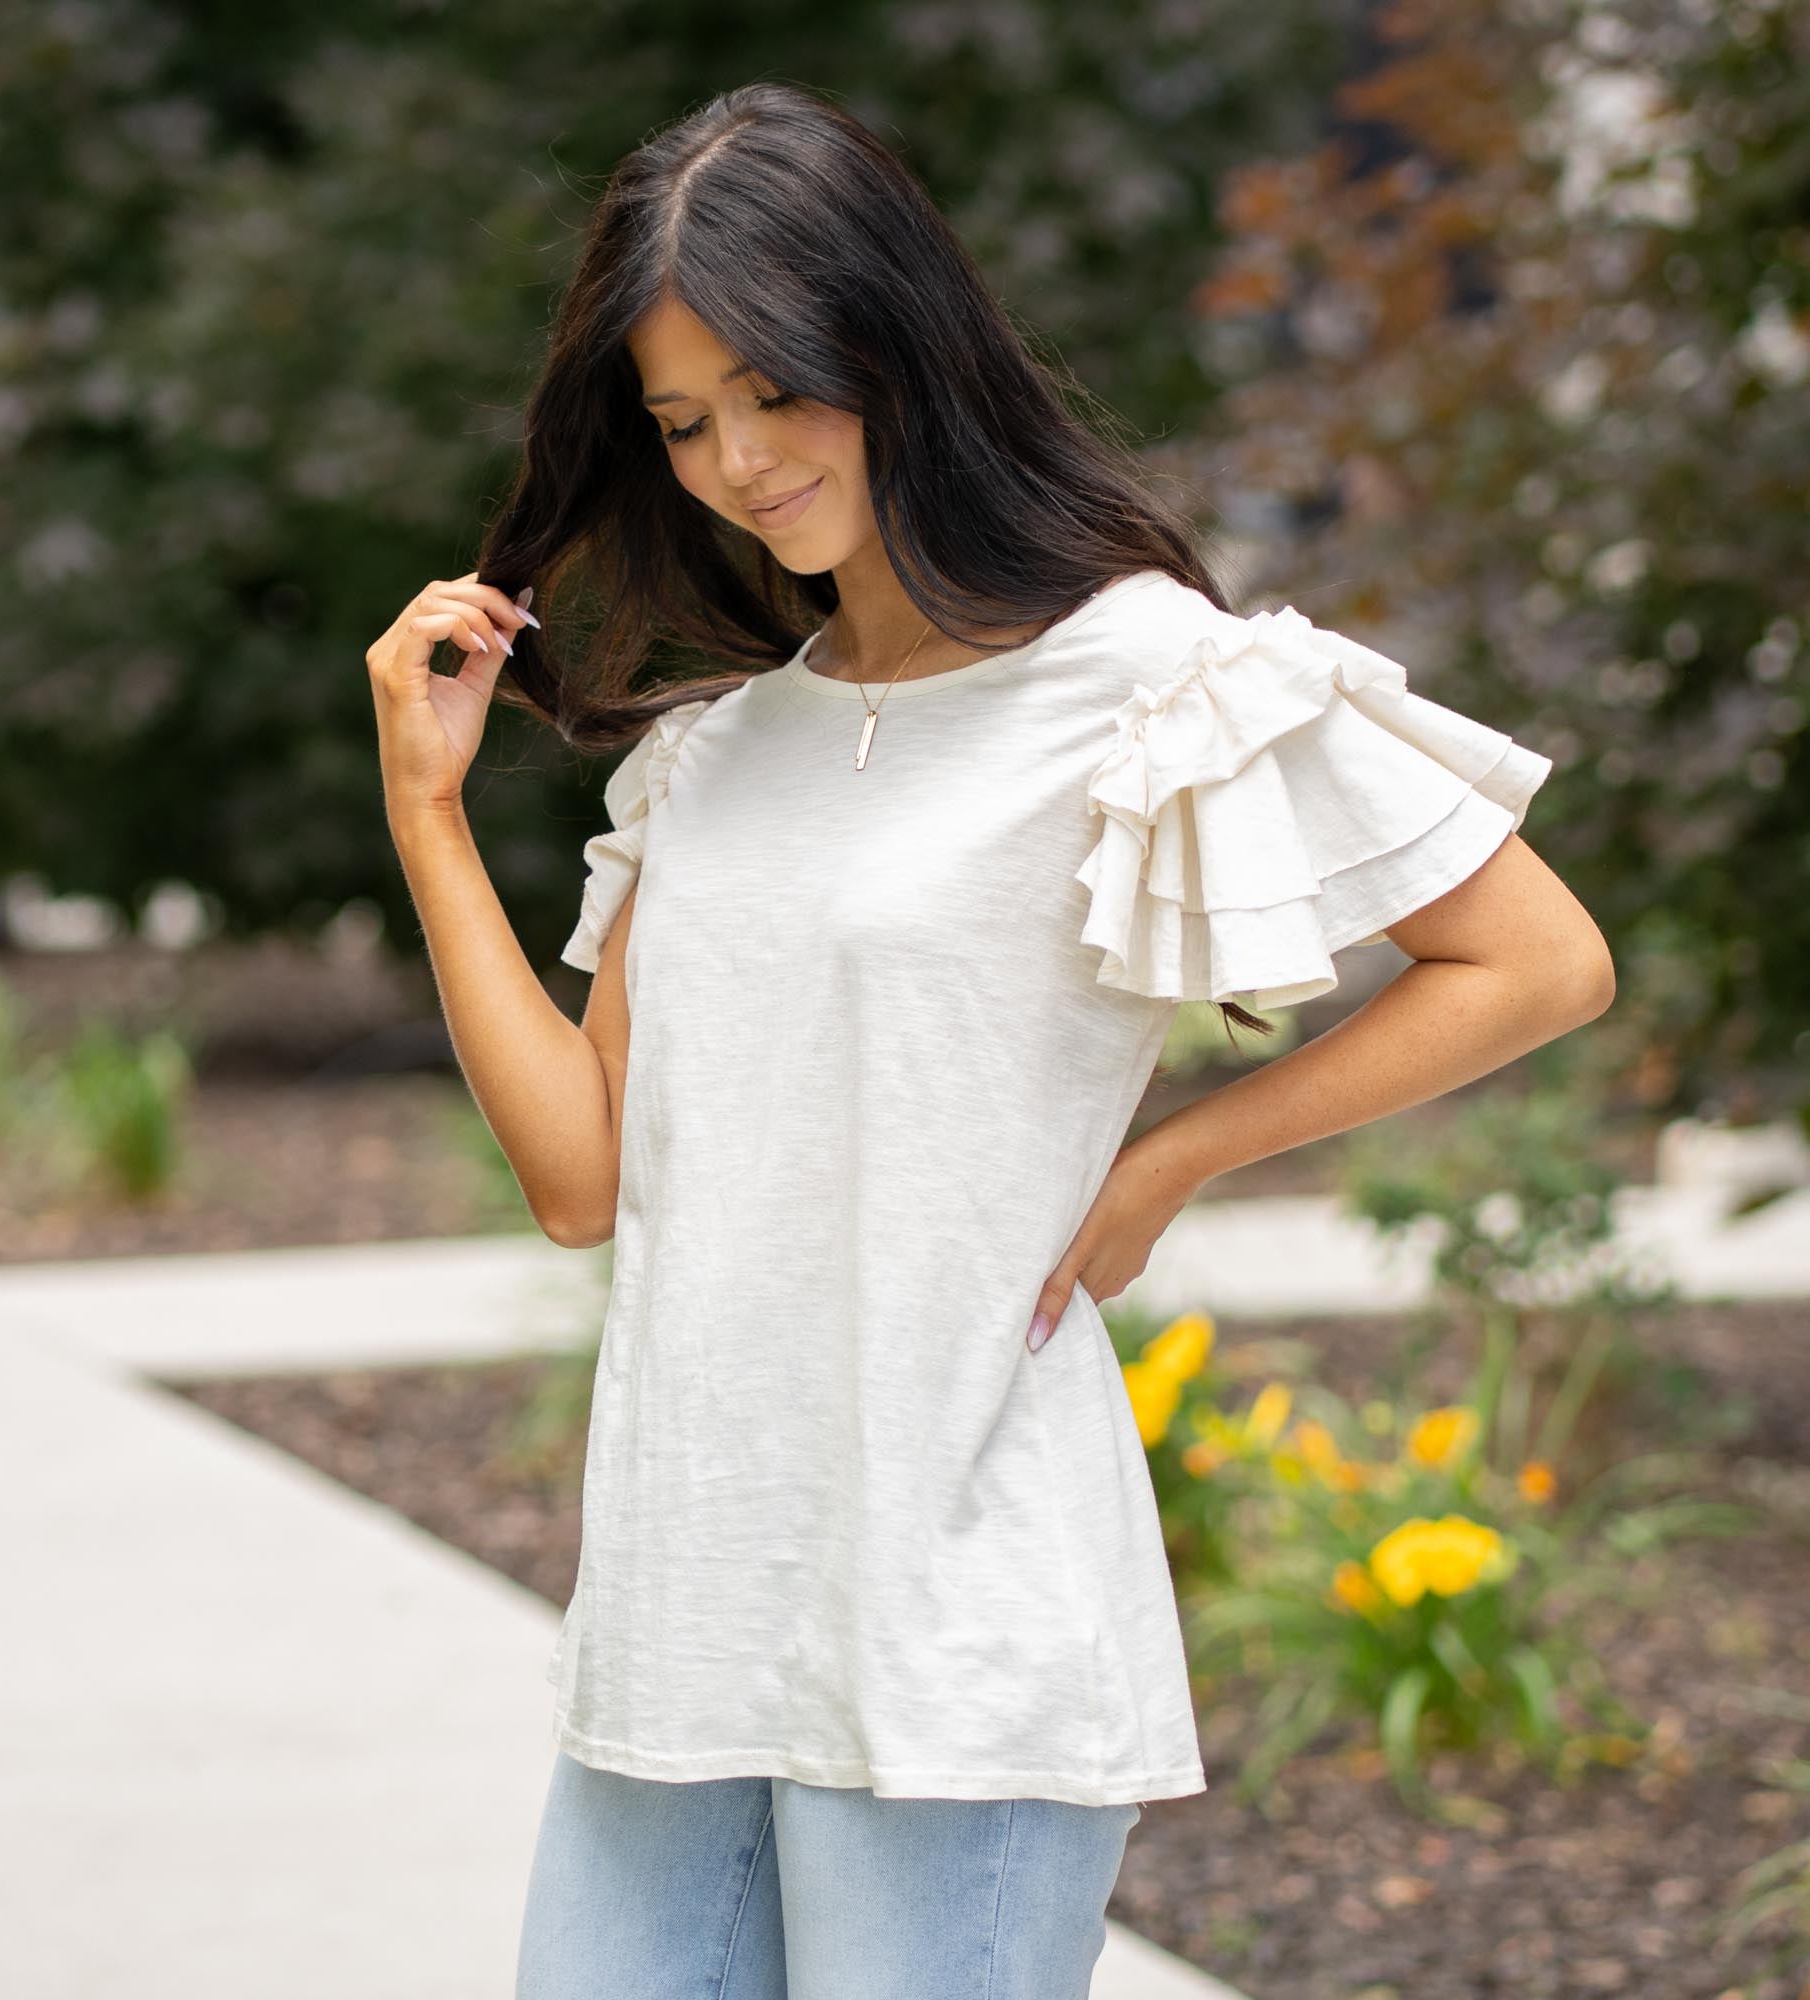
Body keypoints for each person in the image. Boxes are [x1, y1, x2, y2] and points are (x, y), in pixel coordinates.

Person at [363, 81, 1616, 2000]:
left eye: (776, 392)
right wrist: (428, 812)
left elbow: (1534, 960)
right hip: (687, 1618)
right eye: (684, 423)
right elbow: (581, 1181)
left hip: (962, 1630)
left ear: (894, 345)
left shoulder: (1148, 678)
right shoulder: (722, 752)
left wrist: (1172, 1160)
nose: (737, 463)